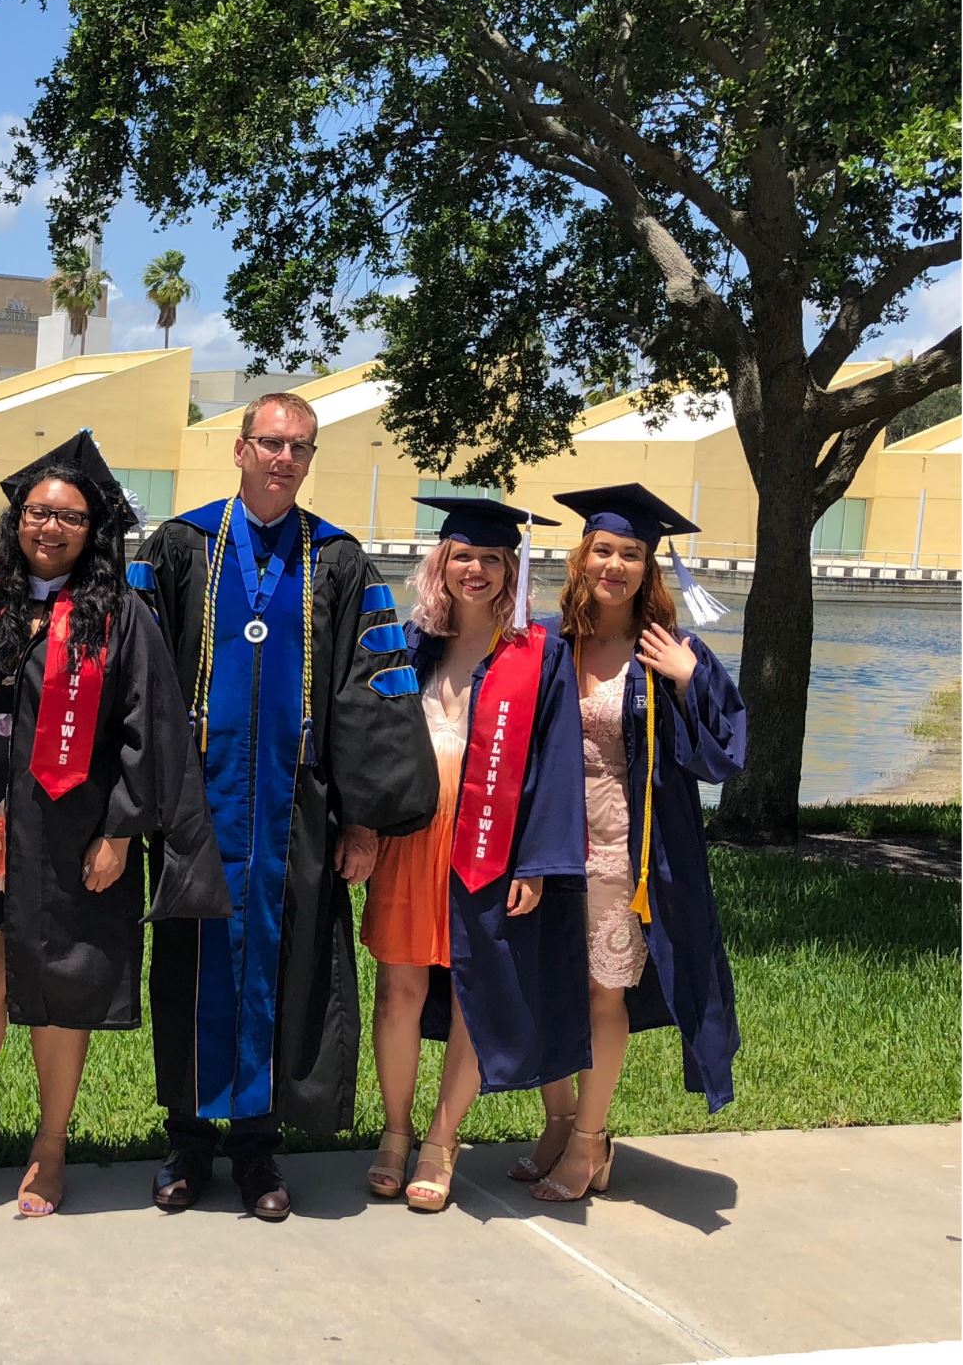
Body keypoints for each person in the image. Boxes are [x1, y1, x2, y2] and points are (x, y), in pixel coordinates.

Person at [135, 391, 438, 1221]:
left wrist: (366, 819)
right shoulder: (179, 546)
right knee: (192, 968)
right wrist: (138, 803)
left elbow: (370, 697)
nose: (282, 458)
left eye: (297, 447)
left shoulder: (337, 561)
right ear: (239, 450)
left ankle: (259, 1151)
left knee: (288, 965)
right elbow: (138, 677)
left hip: (296, 811)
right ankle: (187, 1144)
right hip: (196, 809)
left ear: (309, 461)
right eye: (269, 443)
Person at [0, 434, 231, 1218]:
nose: (49, 527)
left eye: (69, 517)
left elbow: (146, 730)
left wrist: (121, 831)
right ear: (15, 517)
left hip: (71, 825)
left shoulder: (119, 615)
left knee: (60, 985)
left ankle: (49, 1146)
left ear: (94, 531)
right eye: (37, 511)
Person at [515, 484, 746, 1202]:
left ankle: (590, 1141)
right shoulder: (553, 645)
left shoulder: (671, 652)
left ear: (649, 569)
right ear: (582, 559)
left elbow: (721, 760)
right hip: (552, 839)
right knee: (546, 985)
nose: (614, 565)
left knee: (599, 993)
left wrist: (686, 683)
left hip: (628, 850)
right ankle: (556, 1123)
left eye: (631, 555)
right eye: (603, 551)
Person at [360, 498, 588, 1212]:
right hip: (409, 839)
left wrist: (537, 861)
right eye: (464, 556)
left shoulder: (537, 653)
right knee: (398, 990)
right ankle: (393, 1134)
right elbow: (366, 740)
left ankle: (440, 1139)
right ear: (441, 564)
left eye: (492, 559)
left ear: (511, 571)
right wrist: (357, 825)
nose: (477, 570)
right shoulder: (407, 644)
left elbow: (556, 761)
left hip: (489, 844)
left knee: (471, 990)